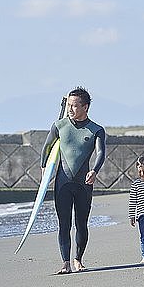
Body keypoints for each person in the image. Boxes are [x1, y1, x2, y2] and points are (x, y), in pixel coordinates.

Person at [41, 87, 106, 274]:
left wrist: (94, 170)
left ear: (85, 107)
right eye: (69, 105)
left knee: (82, 223)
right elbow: (47, 148)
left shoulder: (96, 130)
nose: (70, 109)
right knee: (64, 224)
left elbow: (101, 153)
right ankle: (65, 263)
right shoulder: (59, 125)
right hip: (62, 183)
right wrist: (44, 168)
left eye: (75, 106)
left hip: (84, 184)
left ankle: (78, 259)